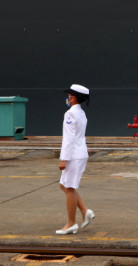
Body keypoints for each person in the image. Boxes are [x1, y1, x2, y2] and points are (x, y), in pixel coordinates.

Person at [55, 84, 95, 235]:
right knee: (64, 186)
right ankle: (85, 211)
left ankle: (71, 223)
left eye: (69, 95)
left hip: (73, 155)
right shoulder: (81, 113)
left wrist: (63, 159)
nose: (67, 97)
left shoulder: (70, 114)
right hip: (79, 153)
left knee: (69, 188)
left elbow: (69, 138)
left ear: (74, 97)